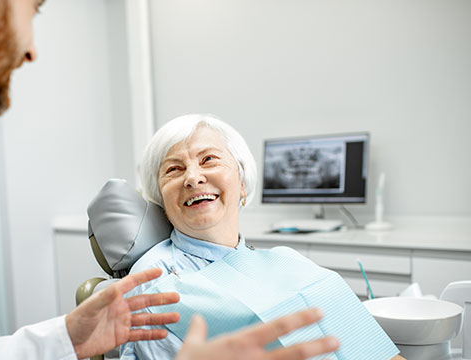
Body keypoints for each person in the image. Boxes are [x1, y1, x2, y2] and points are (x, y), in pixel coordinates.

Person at [0, 0, 339, 359]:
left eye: (211, 161)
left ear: (243, 182)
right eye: (35, 8)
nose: (30, 50)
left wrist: (64, 339)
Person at [121, 114, 403, 360]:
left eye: (209, 160)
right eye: (174, 169)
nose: (193, 178)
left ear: (242, 183)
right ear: (160, 198)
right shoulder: (153, 281)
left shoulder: (286, 259)